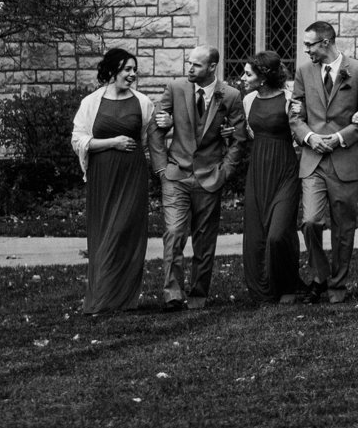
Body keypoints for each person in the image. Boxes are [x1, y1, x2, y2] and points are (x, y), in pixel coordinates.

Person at [151, 45, 247, 310]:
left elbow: (239, 138)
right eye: (189, 63)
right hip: (176, 174)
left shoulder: (230, 95)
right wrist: (161, 168)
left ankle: (198, 293)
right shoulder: (176, 88)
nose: (189, 68)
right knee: (173, 232)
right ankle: (172, 294)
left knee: (205, 238)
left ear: (212, 67)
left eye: (196, 65)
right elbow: (155, 127)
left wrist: (225, 170)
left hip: (210, 176)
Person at [289, 20, 358, 303]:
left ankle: (337, 285)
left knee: (343, 227)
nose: (306, 50)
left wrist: (340, 138)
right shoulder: (304, 72)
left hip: (344, 160)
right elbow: (295, 115)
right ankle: (320, 275)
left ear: (325, 42)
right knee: (310, 221)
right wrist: (309, 137)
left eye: (309, 45)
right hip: (313, 160)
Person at [70, 48, 162, 315]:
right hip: (103, 175)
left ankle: (121, 298)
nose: (132, 75)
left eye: (134, 70)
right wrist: (113, 142)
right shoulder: (91, 102)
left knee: (125, 232)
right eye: (127, 70)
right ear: (112, 71)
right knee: (104, 233)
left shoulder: (143, 103)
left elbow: (148, 139)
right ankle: (101, 298)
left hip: (132, 174)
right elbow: (78, 139)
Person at [238, 50, 303, 304]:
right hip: (258, 170)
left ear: (263, 77)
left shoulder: (289, 99)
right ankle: (263, 289)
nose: (243, 77)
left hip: (285, 170)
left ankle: (288, 284)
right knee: (257, 233)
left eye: (248, 73)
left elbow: (298, 135)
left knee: (278, 233)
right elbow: (252, 132)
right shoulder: (248, 100)